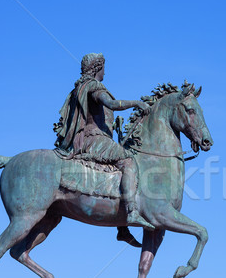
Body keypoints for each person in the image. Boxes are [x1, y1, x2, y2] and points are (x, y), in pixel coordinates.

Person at [54, 53, 154, 231]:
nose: (105, 73)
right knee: (129, 161)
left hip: (91, 137)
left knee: (117, 169)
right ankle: (131, 211)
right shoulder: (93, 86)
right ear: (97, 68)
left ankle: (122, 229)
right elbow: (112, 104)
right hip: (93, 139)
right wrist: (137, 103)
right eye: (104, 68)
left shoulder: (78, 88)